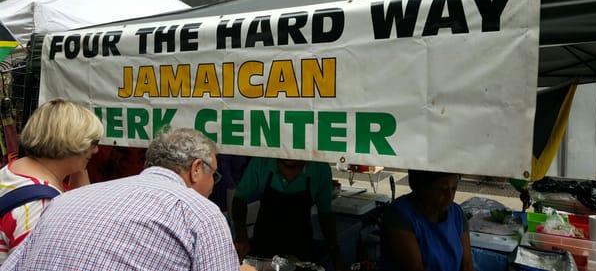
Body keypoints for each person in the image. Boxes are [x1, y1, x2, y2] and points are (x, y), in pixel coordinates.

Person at [0, 128, 241, 271]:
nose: (213, 185)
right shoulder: (200, 212)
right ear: (196, 169)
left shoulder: (67, 199)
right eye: (214, 174)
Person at [0, 99, 103, 264]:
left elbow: (79, 205)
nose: (96, 150)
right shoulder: (41, 206)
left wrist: (79, 162)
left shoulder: (16, 170)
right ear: (72, 142)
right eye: (93, 143)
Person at [232, 157, 341, 267]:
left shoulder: (319, 168)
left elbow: (325, 214)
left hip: (300, 251)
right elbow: (239, 199)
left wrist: (335, 253)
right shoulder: (262, 161)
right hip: (263, 248)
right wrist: (242, 236)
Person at [381, 170, 474, 271]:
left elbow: (467, 264)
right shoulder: (399, 215)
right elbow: (416, 268)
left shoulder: (456, 213)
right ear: (422, 188)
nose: (450, 197)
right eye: (442, 189)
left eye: (454, 188)